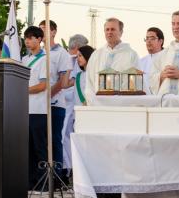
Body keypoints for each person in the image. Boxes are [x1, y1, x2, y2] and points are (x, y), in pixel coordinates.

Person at [38, 20, 72, 177]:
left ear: (53, 32)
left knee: (54, 140)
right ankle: (40, 175)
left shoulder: (61, 53)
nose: (42, 33)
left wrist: (47, 95)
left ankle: (56, 176)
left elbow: (62, 79)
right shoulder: (37, 53)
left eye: (45, 29)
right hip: (37, 105)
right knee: (39, 140)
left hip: (55, 104)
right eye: (40, 30)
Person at [84, 18, 140, 102]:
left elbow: (133, 83)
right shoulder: (96, 55)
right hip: (96, 105)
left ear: (121, 32)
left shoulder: (131, 55)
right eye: (107, 29)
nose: (109, 32)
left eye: (113, 29)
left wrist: (117, 100)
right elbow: (89, 81)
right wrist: (93, 101)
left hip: (120, 105)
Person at [23, 26, 48, 188]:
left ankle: (43, 182)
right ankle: (30, 182)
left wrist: (22, 90)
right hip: (24, 109)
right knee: (27, 148)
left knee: (40, 147)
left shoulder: (45, 59)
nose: (28, 41)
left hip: (39, 110)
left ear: (39, 39)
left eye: (31, 37)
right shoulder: (24, 60)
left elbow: (43, 85)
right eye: (26, 38)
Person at [151, 11, 179, 95]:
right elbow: (151, 77)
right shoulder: (164, 53)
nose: (175, 27)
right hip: (165, 101)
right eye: (173, 24)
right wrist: (161, 76)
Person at [61, 34, 89, 172]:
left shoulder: (93, 74)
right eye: (77, 55)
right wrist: (68, 66)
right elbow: (65, 84)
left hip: (88, 113)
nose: (77, 59)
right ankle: (70, 169)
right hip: (75, 112)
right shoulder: (78, 74)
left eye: (80, 56)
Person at [139, 27, 164, 94]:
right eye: (147, 38)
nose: (149, 41)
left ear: (160, 41)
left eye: (152, 38)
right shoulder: (141, 62)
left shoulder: (167, 59)